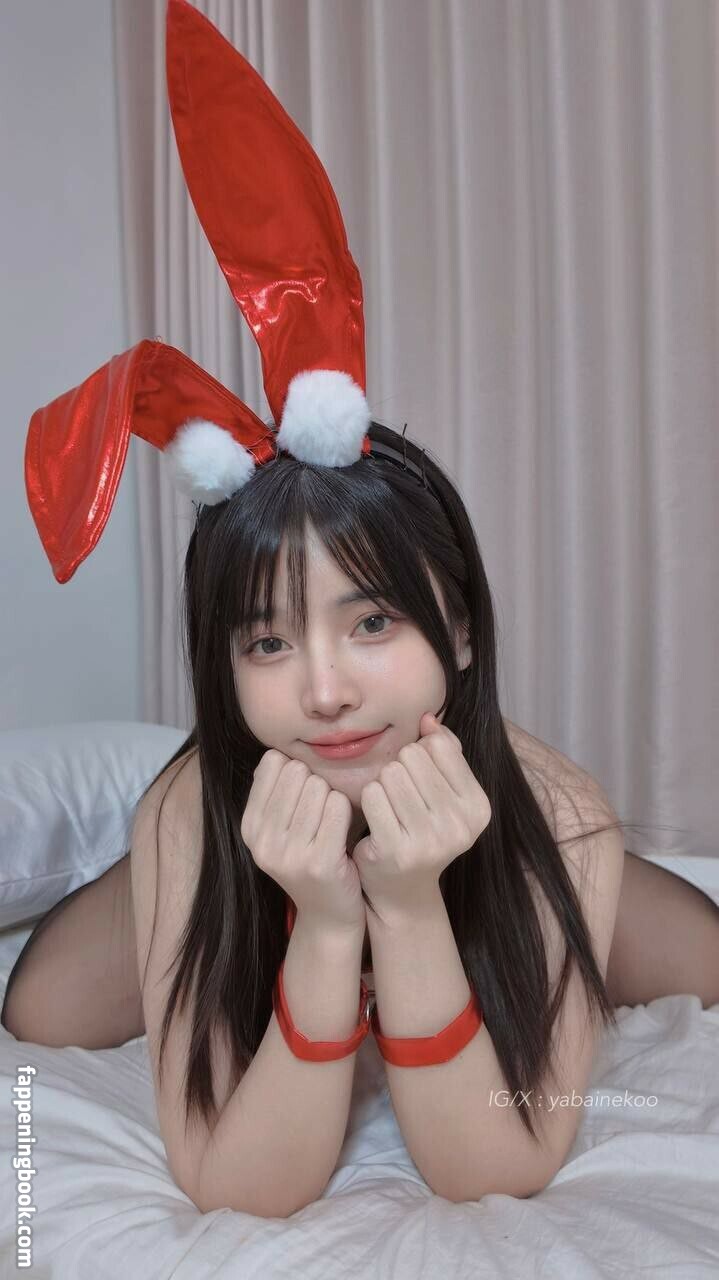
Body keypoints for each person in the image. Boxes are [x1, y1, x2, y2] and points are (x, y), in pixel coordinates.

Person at [5, 0, 718, 1216]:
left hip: (513, 835)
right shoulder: (193, 811)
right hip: (217, 839)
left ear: (461, 629)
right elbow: (235, 1183)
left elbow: (490, 1169)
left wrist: (408, 899)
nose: (325, 687)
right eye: (267, 639)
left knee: (692, 952)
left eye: (374, 621)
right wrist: (328, 927)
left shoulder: (553, 808)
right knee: (38, 1004)